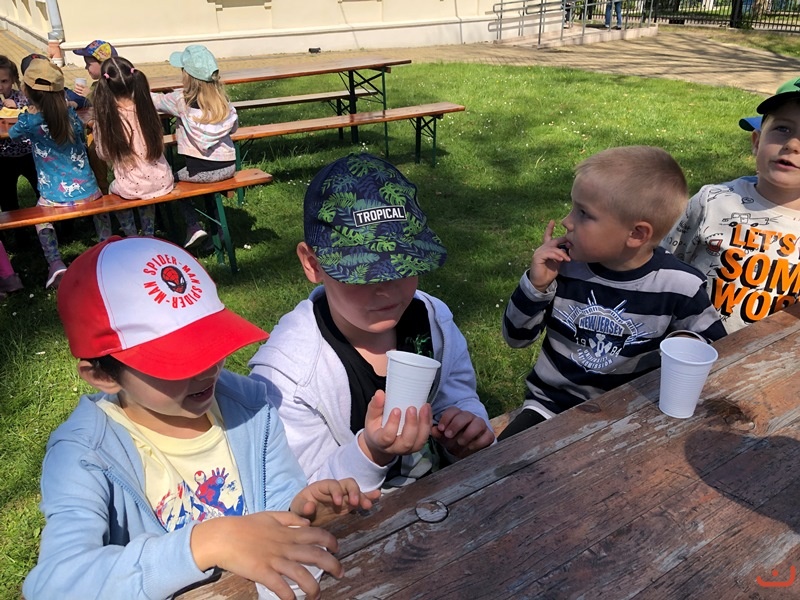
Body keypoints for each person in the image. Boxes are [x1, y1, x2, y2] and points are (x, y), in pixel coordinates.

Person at [22, 235, 380, 600]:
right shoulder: (84, 455)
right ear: (103, 376)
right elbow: (54, 586)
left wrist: (300, 510)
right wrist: (206, 542)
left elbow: (277, 504)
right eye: (176, 361)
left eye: (211, 344)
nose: (208, 369)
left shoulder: (249, 408)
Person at [248, 153, 495, 492]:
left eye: (404, 265)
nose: (387, 289)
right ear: (313, 264)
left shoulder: (432, 321)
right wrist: (371, 453)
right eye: (363, 272)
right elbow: (300, 494)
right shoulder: (291, 375)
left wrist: (466, 428)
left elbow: (455, 395)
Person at [499, 146, 726, 440]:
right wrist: (536, 286)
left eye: (583, 213)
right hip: (551, 407)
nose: (567, 221)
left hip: (633, 415)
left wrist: (688, 342)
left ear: (636, 234)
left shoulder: (680, 285)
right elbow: (516, 338)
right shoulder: (564, 268)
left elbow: (716, 351)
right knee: (498, 467)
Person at [662, 78, 800, 334]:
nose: (792, 145)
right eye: (783, 128)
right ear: (756, 141)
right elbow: (663, 264)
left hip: (772, 356)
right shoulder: (712, 201)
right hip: (688, 346)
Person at [6, 58, 105, 289]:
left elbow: (12, 135)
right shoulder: (70, 115)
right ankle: (106, 246)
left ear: (26, 90)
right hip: (89, 190)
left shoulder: (29, 121)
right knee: (101, 207)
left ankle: (55, 263)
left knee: (42, 220)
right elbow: (80, 134)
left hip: (54, 197)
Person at [150, 44, 239, 249]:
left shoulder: (180, 101)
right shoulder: (223, 102)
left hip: (199, 170)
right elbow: (233, 128)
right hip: (228, 167)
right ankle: (219, 230)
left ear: (187, 76)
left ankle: (193, 226)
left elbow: (155, 101)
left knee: (171, 180)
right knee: (208, 189)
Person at [92, 55, 175, 236]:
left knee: (115, 190)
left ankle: (131, 234)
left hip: (130, 186)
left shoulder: (107, 119)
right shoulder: (147, 108)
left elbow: (103, 154)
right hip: (163, 180)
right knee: (143, 188)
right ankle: (149, 233)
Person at [72, 40, 118, 196]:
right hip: (101, 132)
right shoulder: (95, 86)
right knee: (92, 143)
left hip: (115, 135)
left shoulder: (115, 85)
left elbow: (113, 109)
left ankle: (106, 187)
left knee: (94, 146)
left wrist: (90, 95)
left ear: (103, 64)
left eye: (88, 64)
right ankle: (102, 188)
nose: (86, 68)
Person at [0, 54, 39, 214]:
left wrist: (16, 108)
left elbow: (32, 114)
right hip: (4, 155)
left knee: (40, 187)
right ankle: (14, 224)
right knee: (7, 196)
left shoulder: (21, 98)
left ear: (13, 80)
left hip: (27, 152)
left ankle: (50, 221)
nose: (0, 86)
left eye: (4, 81)